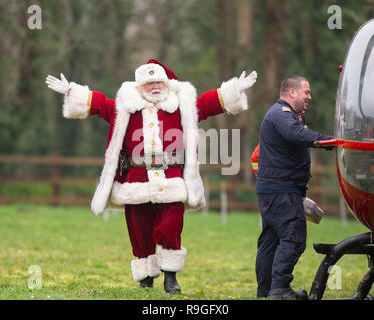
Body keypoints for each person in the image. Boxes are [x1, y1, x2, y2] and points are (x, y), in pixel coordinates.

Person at [45, 59, 257, 293]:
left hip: (171, 179)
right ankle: (145, 279)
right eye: (149, 83)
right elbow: (101, 104)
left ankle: (170, 277)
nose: (155, 86)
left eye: (158, 82)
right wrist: (71, 90)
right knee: (139, 230)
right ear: (139, 86)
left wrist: (235, 88)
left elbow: (207, 103)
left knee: (171, 227)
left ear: (166, 84)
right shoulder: (126, 106)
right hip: (135, 180)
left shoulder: (180, 104)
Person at [255, 75, 333, 299]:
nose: (309, 96)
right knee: (294, 238)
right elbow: (296, 134)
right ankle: (279, 290)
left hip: (276, 190)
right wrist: (327, 141)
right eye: (306, 92)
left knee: (270, 242)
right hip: (281, 191)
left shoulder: (281, 115)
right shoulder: (282, 114)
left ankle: (267, 291)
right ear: (292, 92)